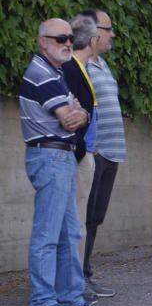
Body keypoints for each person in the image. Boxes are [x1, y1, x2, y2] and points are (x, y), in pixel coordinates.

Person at [20, 18, 106, 306]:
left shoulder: (56, 74)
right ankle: (42, 302)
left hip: (63, 156)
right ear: (43, 42)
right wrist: (77, 112)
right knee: (48, 234)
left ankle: (71, 298)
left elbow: (79, 114)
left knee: (70, 233)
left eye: (70, 37)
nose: (68, 42)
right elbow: (70, 117)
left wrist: (78, 112)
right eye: (60, 38)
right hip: (50, 157)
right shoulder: (42, 73)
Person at [79, 8, 125, 299]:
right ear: (94, 33)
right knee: (83, 219)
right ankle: (77, 278)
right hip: (94, 153)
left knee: (95, 218)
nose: (112, 35)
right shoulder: (80, 66)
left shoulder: (103, 64)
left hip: (111, 153)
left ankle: (85, 272)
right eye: (109, 30)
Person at [62, 15, 98, 249]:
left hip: (82, 152)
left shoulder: (78, 68)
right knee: (75, 222)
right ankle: (71, 282)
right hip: (78, 154)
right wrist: (80, 152)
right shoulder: (71, 69)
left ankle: (73, 280)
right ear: (92, 40)